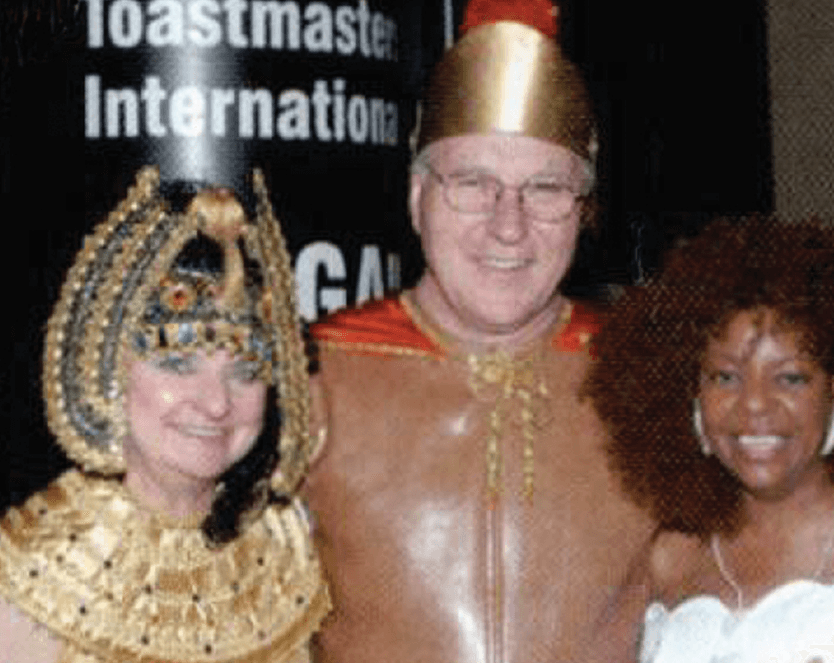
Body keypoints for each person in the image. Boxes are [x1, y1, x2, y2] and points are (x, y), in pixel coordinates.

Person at [304, 1, 656, 661]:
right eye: (473, 183)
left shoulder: (652, 377)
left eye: (546, 189)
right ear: (416, 197)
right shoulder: (315, 373)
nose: (508, 225)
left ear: (584, 212)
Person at [584, 215, 834, 663]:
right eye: (725, 377)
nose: (755, 405)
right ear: (691, 395)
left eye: (791, 378)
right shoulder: (667, 559)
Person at [0, 166, 330, 662]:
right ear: (108, 370)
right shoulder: (33, 570)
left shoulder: (285, 551)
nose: (217, 402)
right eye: (177, 364)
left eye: (244, 372)